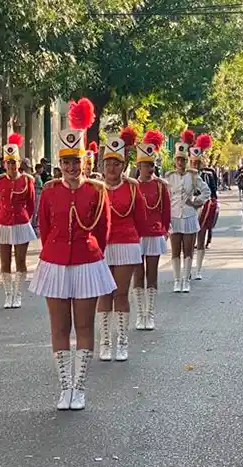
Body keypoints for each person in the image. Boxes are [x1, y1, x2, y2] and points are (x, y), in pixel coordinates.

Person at [29, 98, 114, 411]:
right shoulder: (50, 190)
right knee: (59, 328)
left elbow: (103, 231)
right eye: (66, 162)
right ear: (59, 163)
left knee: (85, 327)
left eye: (76, 161)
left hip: (87, 263)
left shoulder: (97, 191)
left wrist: (91, 255)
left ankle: (79, 387)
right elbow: (45, 225)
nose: (71, 167)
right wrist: (54, 252)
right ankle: (64, 386)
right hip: (54, 263)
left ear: (85, 161)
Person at [97, 133, 146, 362]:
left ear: (124, 165)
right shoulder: (96, 188)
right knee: (104, 294)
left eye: (116, 164)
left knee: (121, 293)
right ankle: (105, 341)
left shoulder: (133, 187)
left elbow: (141, 219)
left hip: (127, 244)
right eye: (108, 164)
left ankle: (122, 341)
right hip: (102, 246)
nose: (112, 168)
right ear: (103, 165)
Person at [0, 133, 37, 309]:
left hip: (21, 223)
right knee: (4, 261)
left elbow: (31, 204)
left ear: (19, 163)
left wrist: (25, 218)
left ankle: (17, 294)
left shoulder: (27, 180)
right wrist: (2, 216)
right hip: (3, 223)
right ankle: (8, 294)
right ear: (4, 164)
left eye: (14, 162)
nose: (11, 166)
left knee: (21, 261)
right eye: (8, 162)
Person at [132, 130, 171, 330]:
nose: (148, 168)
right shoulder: (132, 186)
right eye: (144, 165)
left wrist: (164, 230)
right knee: (138, 274)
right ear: (138, 166)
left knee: (152, 274)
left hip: (154, 234)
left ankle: (151, 314)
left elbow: (166, 210)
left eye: (151, 165)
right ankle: (140, 313)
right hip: (136, 236)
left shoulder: (161, 185)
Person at [166, 130, 209, 293]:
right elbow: (165, 196)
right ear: (174, 161)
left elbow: (206, 192)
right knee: (175, 250)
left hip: (189, 215)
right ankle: (177, 280)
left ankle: (186, 279)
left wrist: (196, 202)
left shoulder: (193, 176)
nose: (180, 162)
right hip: (174, 216)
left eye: (183, 160)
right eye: (178, 159)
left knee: (188, 250)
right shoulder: (169, 177)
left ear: (187, 161)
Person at [189, 133, 218, 278]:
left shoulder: (209, 174)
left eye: (197, 162)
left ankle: (198, 270)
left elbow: (213, 193)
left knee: (201, 238)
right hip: (189, 209)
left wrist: (211, 207)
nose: (195, 164)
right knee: (188, 242)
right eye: (193, 162)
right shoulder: (185, 175)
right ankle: (186, 270)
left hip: (204, 208)